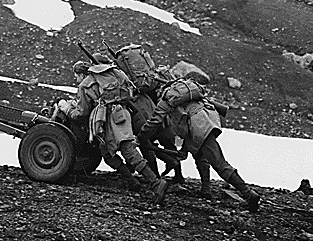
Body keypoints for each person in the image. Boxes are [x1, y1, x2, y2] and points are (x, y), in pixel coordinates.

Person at [139, 78, 260, 212]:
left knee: (219, 163)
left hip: (199, 124)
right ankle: (206, 189)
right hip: (207, 118)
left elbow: (155, 121)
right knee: (200, 152)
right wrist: (185, 148)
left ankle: (249, 194)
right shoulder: (186, 92)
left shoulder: (167, 97)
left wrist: (142, 136)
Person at [58, 60, 169, 204]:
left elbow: (81, 113)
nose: (76, 79)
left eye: (76, 76)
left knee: (128, 151)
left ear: (80, 74)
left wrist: (66, 108)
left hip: (113, 119)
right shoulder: (112, 74)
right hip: (121, 114)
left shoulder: (85, 85)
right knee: (106, 153)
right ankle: (132, 182)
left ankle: (156, 183)